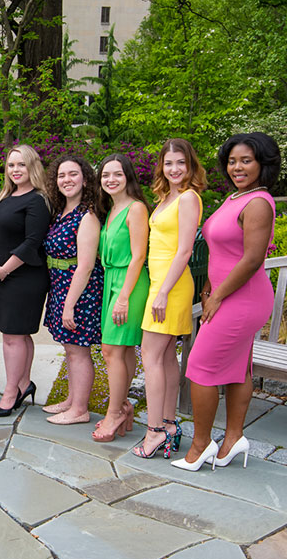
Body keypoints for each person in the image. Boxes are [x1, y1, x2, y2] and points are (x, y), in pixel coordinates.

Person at [171, 133, 278, 471]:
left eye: (246, 160)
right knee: (235, 369)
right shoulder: (237, 197)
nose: (237, 167)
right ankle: (232, 439)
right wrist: (208, 289)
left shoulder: (258, 202)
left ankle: (202, 445)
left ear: (263, 163)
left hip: (242, 297)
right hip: (228, 294)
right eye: (232, 161)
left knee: (200, 368)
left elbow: (251, 259)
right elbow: (222, 252)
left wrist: (216, 295)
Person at [134, 138, 205, 459]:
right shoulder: (166, 197)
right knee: (163, 358)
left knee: (150, 355)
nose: (174, 169)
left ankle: (154, 432)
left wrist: (162, 291)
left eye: (180, 163)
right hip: (160, 282)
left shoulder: (189, 198)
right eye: (168, 163)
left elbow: (186, 250)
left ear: (190, 166)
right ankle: (169, 424)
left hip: (171, 285)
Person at [0, 145, 50, 417]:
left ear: (32, 166)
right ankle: (23, 383)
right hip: (2, 274)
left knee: (12, 336)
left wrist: (4, 270)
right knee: (18, 334)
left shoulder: (37, 200)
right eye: (11, 165)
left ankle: (11, 391)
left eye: (21, 165)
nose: (15, 170)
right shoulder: (5, 197)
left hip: (24, 276)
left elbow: (32, 242)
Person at [41, 155, 104, 425]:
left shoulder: (86, 216)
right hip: (60, 285)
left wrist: (69, 304)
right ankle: (71, 399)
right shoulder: (61, 213)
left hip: (79, 290)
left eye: (73, 174)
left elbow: (86, 265)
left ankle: (79, 409)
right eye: (61, 175)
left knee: (79, 350)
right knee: (69, 349)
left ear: (85, 179)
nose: (67, 180)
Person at [91, 154, 150, 442]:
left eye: (117, 174)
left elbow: (139, 254)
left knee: (111, 350)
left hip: (129, 282)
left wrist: (124, 296)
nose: (110, 180)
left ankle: (113, 412)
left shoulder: (136, 209)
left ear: (128, 177)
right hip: (111, 280)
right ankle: (124, 406)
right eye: (105, 175)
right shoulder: (113, 208)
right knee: (123, 350)